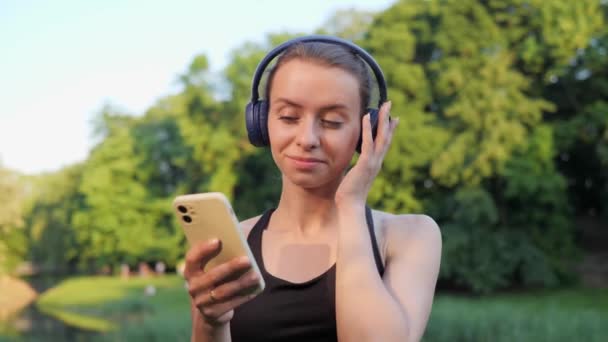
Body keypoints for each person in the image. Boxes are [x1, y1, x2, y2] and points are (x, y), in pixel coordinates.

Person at [183, 35, 442, 342]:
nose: (307, 138)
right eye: (289, 117)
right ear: (261, 123)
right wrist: (211, 322)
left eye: (332, 121)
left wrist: (351, 204)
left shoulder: (410, 236)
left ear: (366, 132)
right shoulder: (230, 246)